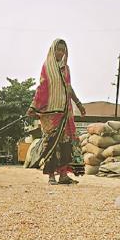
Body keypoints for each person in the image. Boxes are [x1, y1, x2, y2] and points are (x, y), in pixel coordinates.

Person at [26, 39, 86, 185]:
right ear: (53, 50)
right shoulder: (46, 67)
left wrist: (78, 103)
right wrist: (33, 107)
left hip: (65, 111)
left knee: (66, 144)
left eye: (63, 50)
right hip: (50, 113)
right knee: (51, 143)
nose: (60, 52)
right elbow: (42, 88)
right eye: (58, 49)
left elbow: (68, 88)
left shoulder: (66, 69)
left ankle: (64, 175)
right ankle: (51, 175)